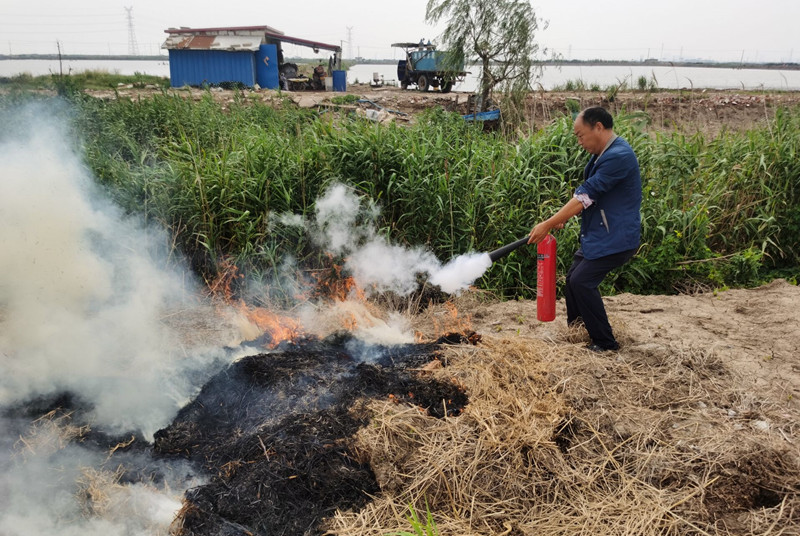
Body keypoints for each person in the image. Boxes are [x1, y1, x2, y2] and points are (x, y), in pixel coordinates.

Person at [527, 106, 642, 352]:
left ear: (598, 127)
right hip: (600, 235)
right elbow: (589, 196)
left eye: (580, 135)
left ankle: (605, 343)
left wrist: (548, 223)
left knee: (582, 282)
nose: (579, 142)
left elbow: (587, 194)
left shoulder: (618, 156)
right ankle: (578, 330)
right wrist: (563, 216)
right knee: (573, 279)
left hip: (616, 238)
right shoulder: (602, 154)